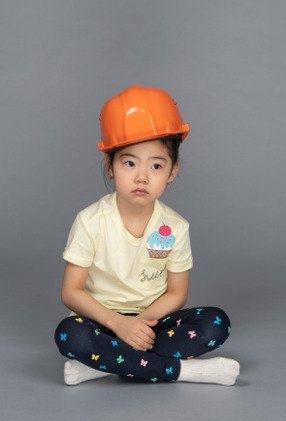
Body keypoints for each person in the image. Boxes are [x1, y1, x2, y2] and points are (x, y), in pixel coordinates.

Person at [54, 85, 240, 386]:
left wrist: (138, 325)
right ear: (110, 166)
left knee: (215, 323)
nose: (142, 176)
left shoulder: (176, 226)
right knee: (68, 333)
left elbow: (177, 293)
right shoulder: (90, 221)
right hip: (102, 321)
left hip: (153, 322)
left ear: (173, 171)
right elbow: (71, 292)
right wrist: (118, 323)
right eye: (130, 163)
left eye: (156, 165)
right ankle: (185, 372)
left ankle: (101, 366)